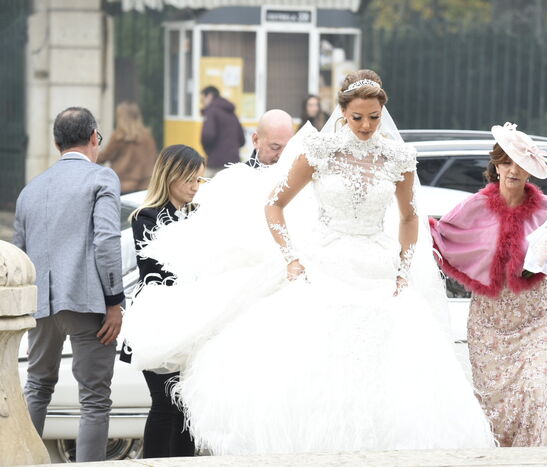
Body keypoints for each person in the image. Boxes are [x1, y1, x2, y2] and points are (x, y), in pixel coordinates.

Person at [122, 70, 496, 454]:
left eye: (374, 118)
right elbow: (274, 204)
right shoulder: (320, 152)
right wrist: (291, 259)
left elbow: (409, 217)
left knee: (391, 373)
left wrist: (403, 268)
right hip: (326, 264)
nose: (366, 126)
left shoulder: (397, 158)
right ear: (343, 114)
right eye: (357, 118)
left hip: (379, 270)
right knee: (314, 370)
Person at [429, 123, 547, 447]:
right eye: (506, 161)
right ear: (495, 165)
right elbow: (442, 236)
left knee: (533, 393)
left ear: (530, 171)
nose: (513, 169)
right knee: (493, 408)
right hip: (488, 323)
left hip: (533, 320)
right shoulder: (475, 207)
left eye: (520, 164)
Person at [13, 107, 124, 462]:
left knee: (37, 387)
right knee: (94, 398)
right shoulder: (101, 178)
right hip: (87, 301)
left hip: (40, 305)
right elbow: (106, 241)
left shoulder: (29, 190)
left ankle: (20, 460)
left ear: (56, 142)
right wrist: (114, 302)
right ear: (94, 137)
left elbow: (18, 258)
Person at [125, 145, 205, 458]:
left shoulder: (198, 214)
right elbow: (155, 272)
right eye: (189, 179)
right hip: (158, 320)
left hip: (191, 321)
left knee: (187, 407)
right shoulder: (146, 217)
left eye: (199, 180)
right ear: (170, 176)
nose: (195, 187)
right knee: (164, 402)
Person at [97, 101, 158, 194]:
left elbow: (105, 156)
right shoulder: (148, 137)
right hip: (146, 186)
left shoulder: (119, 137)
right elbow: (154, 159)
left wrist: (86, 156)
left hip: (123, 186)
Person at [200, 86, 244, 176]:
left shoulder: (211, 111)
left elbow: (207, 135)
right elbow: (242, 139)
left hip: (215, 164)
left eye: (202, 99)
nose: (202, 103)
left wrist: (209, 152)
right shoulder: (232, 114)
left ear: (209, 96)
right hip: (233, 163)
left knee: (207, 188)